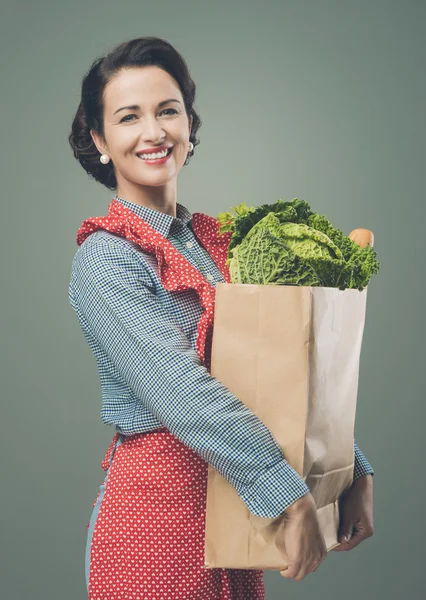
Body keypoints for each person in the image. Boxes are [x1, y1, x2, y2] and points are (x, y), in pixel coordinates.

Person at [68, 36, 375, 600]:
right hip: (152, 522)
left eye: (168, 111)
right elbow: (183, 393)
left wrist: (351, 469)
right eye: (128, 117)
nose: (154, 132)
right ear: (99, 140)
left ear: (189, 123)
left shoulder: (214, 245)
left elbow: (286, 362)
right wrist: (286, 493)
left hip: (231, 509)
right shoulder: (106, 259)